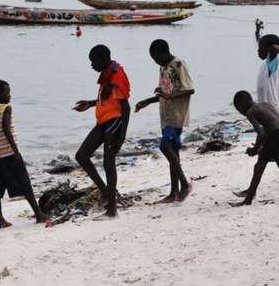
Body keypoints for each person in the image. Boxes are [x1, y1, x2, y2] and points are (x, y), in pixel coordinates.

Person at [73, 44, 131, 219]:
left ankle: (112, 210)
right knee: (81, 156)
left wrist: (121, 137)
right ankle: (106, 192)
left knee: (108, 163)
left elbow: (125, 108)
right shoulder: (107, 74)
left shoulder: (116, 76)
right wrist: (90, 104)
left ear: (103, 59)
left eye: (93, 61)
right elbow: (108, 99)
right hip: (104, 121)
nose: (92, 65)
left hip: (114, 122)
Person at [135, 39, 194, 203]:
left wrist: (168, 96)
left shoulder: (178, 64)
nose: (155, 61)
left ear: (165, 52)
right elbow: (165, 92)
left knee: (165, 146)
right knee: (173, 151)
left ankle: (185, 185)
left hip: (176, 114)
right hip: (165, 114)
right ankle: (174, 192)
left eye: (156, 57)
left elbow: (190, 89)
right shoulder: (163, 68)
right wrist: (148, 101)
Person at [0, 80, 51, 228]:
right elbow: (6, 129)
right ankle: (39, 214)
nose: (10, 95)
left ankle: (0, 220)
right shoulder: (6, 108)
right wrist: (15, 150)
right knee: (24, 183)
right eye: (7, 92)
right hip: (9, 153)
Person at [229, 91, 279, 207]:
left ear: (242, 104)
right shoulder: (266, 105)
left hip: (277, 134)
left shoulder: (250, 112)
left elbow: (261, 134)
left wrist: (254, 150)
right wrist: (257, 147)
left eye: (238, 109)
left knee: (259, 166)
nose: (240, 112)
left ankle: (248, 200)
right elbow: (268, 127)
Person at [256, 34, 279, 119]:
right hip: (276, 109)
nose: (258, 51)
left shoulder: (274, 63)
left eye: (261, 47)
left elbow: (274, 48)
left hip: (272, 110)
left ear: (268, 49)